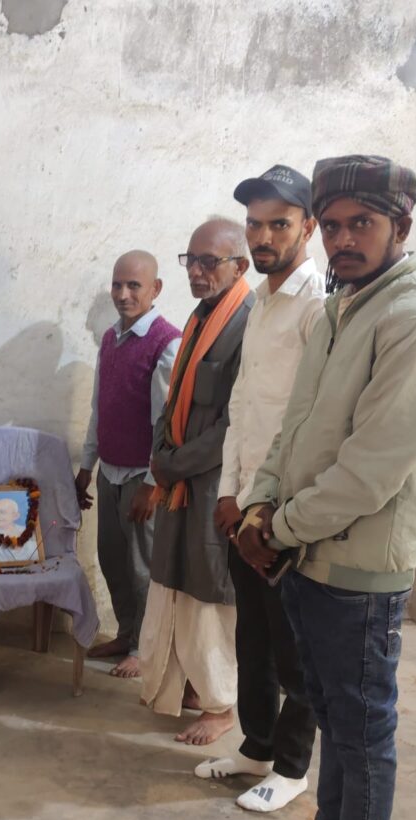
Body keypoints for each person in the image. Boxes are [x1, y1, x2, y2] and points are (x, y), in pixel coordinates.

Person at [238, 155, 416, 820]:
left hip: (360, 566)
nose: (343, 238)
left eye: (361, 224)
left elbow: (369, 473)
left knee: (364, 731)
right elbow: (295, 426)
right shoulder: (343, 307)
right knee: (334, 716)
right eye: (333, 225)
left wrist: (277, 528)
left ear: (399, 227)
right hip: (308, 552)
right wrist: (260, 502)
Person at [195, 166, 324, 811]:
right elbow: (243, 407)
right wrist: (228, 492)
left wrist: (269, 509)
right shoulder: (263, 301)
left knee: (294, 647)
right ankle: (257, 747)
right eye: (254, 224)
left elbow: (312, 419)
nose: (264, 236)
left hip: (283, 510)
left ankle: (293, 768)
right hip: (242, 502)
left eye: (279, 223)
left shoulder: (318, 305)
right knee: (253, 638)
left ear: (308, 227)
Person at [139, 219, 253, 744]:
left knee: (209, 593)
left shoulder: (247, 321)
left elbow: (235, 422)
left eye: (210, 261)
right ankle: (186, 684)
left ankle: (221, 704)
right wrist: (161, 452)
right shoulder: (201, 316)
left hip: (212, 482)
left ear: (240, 266)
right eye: (192, 260)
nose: (197, 271)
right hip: (179, 475)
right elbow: (175, 399)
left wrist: (176, 463)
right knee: (176, 582)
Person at [76, 251, 182, 679]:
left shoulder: (167, 343)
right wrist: (87, 466)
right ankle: (125, 633)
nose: (123, 294)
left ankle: (144, 647)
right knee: (112, 559)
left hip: (141, 476)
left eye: (134, 285)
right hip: (110, 471)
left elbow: (166, 423)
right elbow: (99, 408)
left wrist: (153, 484)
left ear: (155, 289)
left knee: (144, 568)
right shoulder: (110, 339)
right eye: (117, 284)